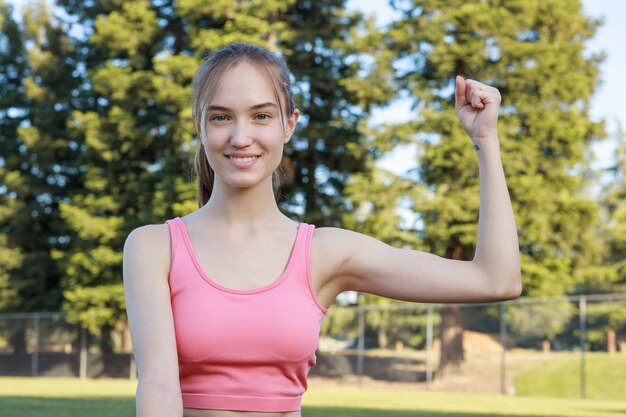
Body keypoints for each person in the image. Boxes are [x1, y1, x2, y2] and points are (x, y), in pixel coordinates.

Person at [123, 42, 521, 417]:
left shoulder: (324, 253)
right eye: (221, 117)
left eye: (261, 115)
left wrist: (485, 139)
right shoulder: (154, 247)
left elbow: (495, 279)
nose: (240, 137)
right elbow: (158, 385)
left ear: (289, 125)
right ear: (200, 125)